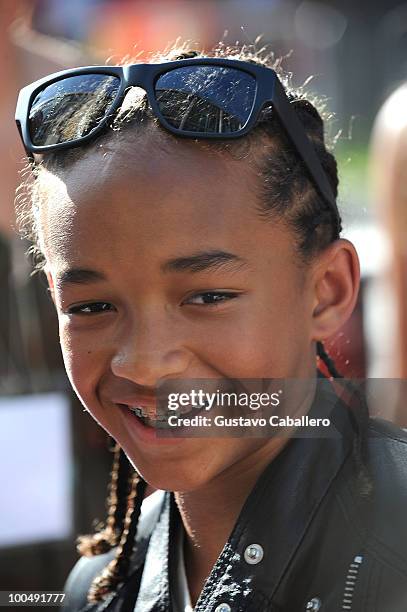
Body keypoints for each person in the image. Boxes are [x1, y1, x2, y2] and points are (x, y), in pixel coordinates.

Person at [14, 43, 407, 611]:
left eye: (207, 296)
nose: (144, 363)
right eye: (92, 307)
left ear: (327, 291)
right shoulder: (100, 586)